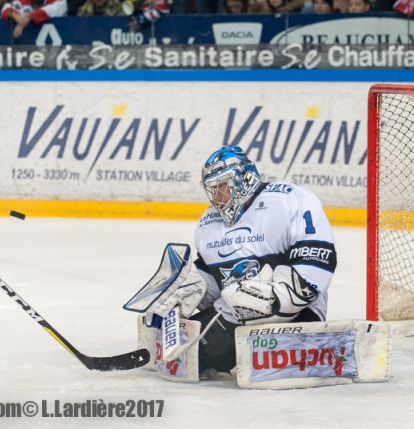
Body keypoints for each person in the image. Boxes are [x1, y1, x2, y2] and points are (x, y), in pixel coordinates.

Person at [141, 146, 337, 376]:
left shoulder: (289, 199)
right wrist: (184, 295)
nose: (217, 197)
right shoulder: (209, 223)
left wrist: (278, 299)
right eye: (212, 190)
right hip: (235, 313)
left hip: (298, 312)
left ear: (245, 178)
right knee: (180, 356)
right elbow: (211, 277)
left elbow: (316, 258)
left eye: (222, 187)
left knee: (187, 357)